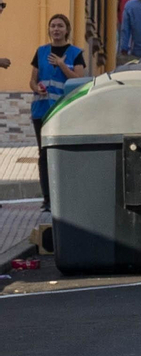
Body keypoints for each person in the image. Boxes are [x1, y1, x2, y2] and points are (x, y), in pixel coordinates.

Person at [27, 14, 86, 213]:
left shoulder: (75, 53)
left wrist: (62, 65)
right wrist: (37, 88)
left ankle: (66, 196)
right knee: (44, 154)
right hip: (42, 110)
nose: (56, 29)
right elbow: (32, 80)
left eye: (60, 26)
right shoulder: (41, 51)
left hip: (65, 110)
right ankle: (47, 199)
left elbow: (79, 79)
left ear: (67, 30)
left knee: (64, 153)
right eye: (53, 26)